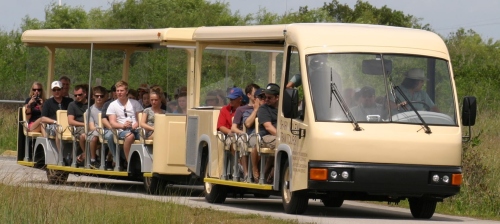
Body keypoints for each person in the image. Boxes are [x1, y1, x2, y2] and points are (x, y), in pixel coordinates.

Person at [107, 81, 143, 164]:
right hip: (121, 131)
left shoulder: (135, 103)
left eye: (121, 90)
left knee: (148, 136)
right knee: (130, 136)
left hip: (136, 129)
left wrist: (135, 125)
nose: (119, 93)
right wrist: (123, 126)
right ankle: (129, 163)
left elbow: (140, 119)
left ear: (126, 91)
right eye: (117, 90)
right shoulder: (112, 105)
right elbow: (112, 123)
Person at [230, 84, 260, 180]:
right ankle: (246, 172)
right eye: (255, 94)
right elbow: (233, 128)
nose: (257, 97)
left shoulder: (263, 108)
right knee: (243, 139)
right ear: (249, 95)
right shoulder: (241, 109)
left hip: (258, 135)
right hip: (247, 136)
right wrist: (242, 132)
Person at [41, 81, 73, 154]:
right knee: (59, 129)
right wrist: (55, 122)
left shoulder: (69, 101)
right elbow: (43, 118)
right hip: (53, 126)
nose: (56, 92)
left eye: (58, 89)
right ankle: (61, 155)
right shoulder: (48, 102)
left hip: (68, 125)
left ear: (62, 90)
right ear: (52, 91)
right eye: (54, 90)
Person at [256, 83, 280, 184]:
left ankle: (272, 173)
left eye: (269, 97)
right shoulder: (263, 109)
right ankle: (268, 174)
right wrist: (284, 137)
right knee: (281, 144)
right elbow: (268, 127)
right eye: (265, 97)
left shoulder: (284, 109)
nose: (266, 99)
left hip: (281, 136)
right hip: (266, 136)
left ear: (277, 97)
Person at [67, 84, 90, 166]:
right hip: (78, 128)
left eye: (79, 95)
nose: (77, 97)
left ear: (85, 94)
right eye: (75, 95)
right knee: (84, 135)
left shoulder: (91, 104)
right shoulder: (72, 105)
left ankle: (83, 155)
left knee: (101, 136)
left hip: (92, 127)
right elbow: (70, 121)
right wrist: (84, 124)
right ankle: (87, 155)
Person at [87, 86, 108, 169]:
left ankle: (110, 160)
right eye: (97, 96)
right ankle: (93, 159)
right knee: (94, 137)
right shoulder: (90, 110)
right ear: (93, 96)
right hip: (96, 130)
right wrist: (98, 129)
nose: (99, 98)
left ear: (105, 97)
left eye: (101, 96)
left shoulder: (108, 108)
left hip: (107, 129)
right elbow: (91, 127)